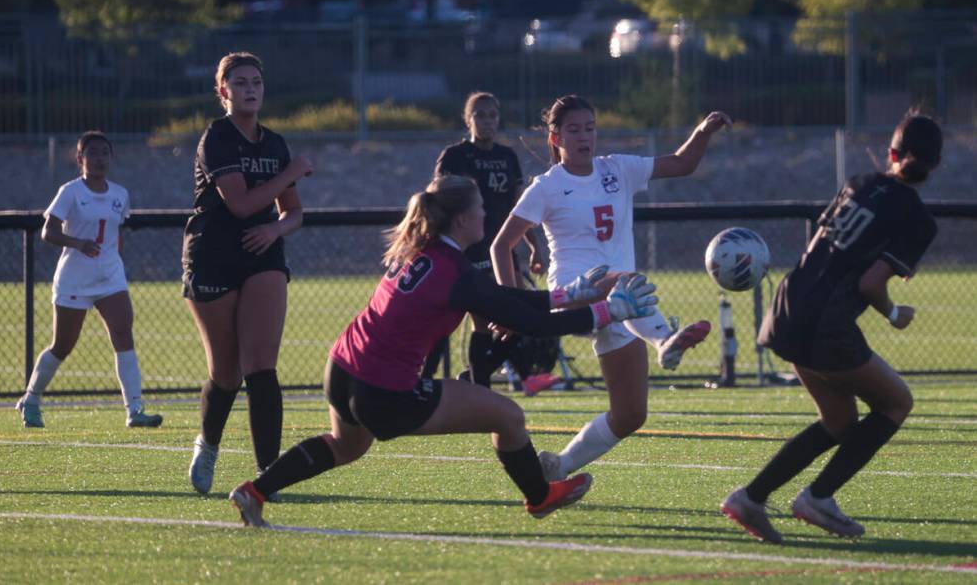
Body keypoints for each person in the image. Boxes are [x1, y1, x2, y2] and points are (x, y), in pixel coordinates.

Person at [227, 175, 659, 526]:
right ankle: (541, 496)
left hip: (342, 368)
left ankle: (256, 490)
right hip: (383, 388)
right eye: (480, 209)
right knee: (508, 417)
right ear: (462, 220)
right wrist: (607, 311)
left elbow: (510, 302)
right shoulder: (457, 271)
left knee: (345, 447)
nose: (486, 214)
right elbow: (528, 322)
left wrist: (568, 293)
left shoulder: (427, 252)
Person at [721, 112, 942, 544]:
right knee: (897, 403)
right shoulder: (919, 218)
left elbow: (819, 250)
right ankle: (818, 498)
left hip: (787, 308)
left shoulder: (857, 183)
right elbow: (870, 283)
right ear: (935, 165)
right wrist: (895, 315)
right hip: (826, 325)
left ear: (891, 153)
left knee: (840, 421)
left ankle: (751, 497)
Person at [491, 95, 731, 482]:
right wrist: (510, 304)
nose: (584, 136)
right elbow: (501, 245)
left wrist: (703, 131)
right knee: (623, 283)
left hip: (624, 305)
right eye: (574, 130)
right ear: (556, 138)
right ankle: (664, 340)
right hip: (575, 295)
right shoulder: (546, 187)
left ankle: (558, 467)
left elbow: (682, 164)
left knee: (631, 414)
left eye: (590, 128)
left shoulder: (617, 169)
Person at [182, 52, 313, 495]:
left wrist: (276, 229)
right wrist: (292, 173)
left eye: (256, 81)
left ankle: (267, 477)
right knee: (226, 372)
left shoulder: (274, 143)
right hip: (213, 256)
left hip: (263, 255)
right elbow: (239, 205)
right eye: (239, 83)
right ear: (223, 92)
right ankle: (209, 444)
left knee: (261, 366)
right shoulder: (216, 137)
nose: (250, 89)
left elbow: (293, 213)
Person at [15, 131, 163, 429]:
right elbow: (48, 232)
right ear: (80, 158)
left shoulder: (120, 194)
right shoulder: (70, 192)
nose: (99, 159)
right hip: (74, 279)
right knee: (63, 345)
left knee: (123, 334)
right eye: (93, 153)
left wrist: (111, 259)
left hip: (110, 277)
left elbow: (115, 233)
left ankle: (135, 409)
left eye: (105, 153)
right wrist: (78, 243)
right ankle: (31, 399)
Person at [424, 92, 554, 396]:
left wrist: (533, 245)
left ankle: (485, 377)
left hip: (503, 249)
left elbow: (517, 206)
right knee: (479, 320)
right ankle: (451, 381)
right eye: (479, 115)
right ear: (468, 120)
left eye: (492, 115)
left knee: (515, 315)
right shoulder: (455, 156)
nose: (487, 121)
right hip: (466, 251)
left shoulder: (506, 157)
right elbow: (438, 199)